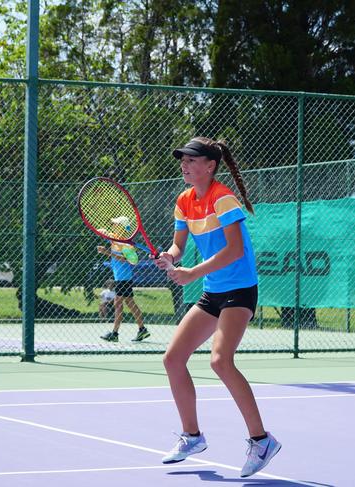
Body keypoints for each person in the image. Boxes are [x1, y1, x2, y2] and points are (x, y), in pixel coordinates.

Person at [154, 137, 280, 477]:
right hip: (213, 292)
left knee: (220, 360)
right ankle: (192, 436)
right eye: (182, 159)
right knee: (172, 358)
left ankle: (261, 440)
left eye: (192, 160)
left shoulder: (222, 199)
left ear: (210, 166)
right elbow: (178, 246)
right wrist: (170, 257)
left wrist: (192, 273)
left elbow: (235, 251)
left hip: (240, 290)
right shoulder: (183, 201)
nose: (184, 164)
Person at [98, 216, 150, 343]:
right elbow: (103, 231)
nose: (114, 226)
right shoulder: (115, 239)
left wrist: (107, 253)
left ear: (122, 228)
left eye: (116, 225)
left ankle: (115, 333)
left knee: (118, 304)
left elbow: (129, 260)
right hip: (120, 278)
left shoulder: (127, 245)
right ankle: (142, 329)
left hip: (124, 279)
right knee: (130, 304)